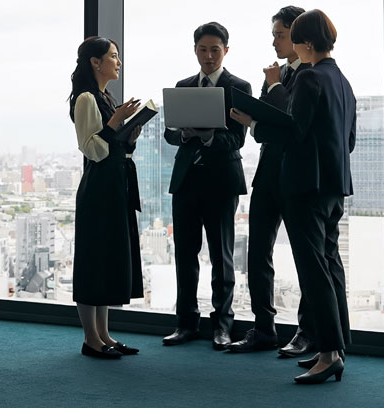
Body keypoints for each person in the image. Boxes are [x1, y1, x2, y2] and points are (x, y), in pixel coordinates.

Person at [230, 9, 356, 384]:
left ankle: (329, 352)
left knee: (314, 271)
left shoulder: (310, 77)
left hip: (304, 188)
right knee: (330, 266)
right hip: (334, 187)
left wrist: (254, 121)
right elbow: (346, 141)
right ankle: (334, 348)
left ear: (304, 43)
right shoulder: (343, 82)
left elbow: (294, 130)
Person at [226, 6, 313, 357]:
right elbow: (265, 128)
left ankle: (308, 331)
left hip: (296, 177)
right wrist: (254, 122)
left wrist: (272, 92)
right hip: (267, 175)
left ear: (296, 35)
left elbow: (291, 122)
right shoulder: (275, 76)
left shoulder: (310, 74)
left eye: (279, 34)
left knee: (306, 258)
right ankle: (264, 328)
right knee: (257, 252)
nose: (274, 41)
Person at [161, 22, 251, 350]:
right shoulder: (182, 86)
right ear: (195, 50)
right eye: (203, 49)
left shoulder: (238, 86)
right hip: (186, 181)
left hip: (221, 183)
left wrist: (210, 134)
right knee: (185, 255)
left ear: (226, 51)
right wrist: (184, 134)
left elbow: (239, 139)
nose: (209, 56)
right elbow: (170, 133)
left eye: (215, 49)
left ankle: (222, 327)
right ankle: (185, 324)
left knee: (221, 256)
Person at [68, 36, 146, 359]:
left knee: (107, 261)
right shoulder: (86, 99)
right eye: (113, 56)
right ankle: (91, 340)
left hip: (115, 185)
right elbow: (93, 148)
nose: (118, 62)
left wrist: (130, 134)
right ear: (95, 63)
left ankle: (104, 334)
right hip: (98, 188)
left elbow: (114, 146)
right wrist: (116, 123)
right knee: (93, 263)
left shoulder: (106, 97)